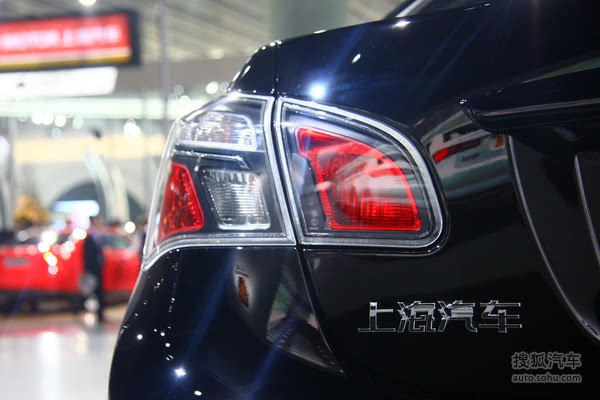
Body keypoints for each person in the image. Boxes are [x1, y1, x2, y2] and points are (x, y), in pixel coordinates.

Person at [84, 215, 106, 322]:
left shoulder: (97, 235)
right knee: (94, 292)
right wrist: (89, 269)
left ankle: (101, 315)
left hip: (98, 268)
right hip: (93, 269)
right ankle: (98, 315)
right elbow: (87, 255)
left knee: (99, 292)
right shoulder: (89, 237)